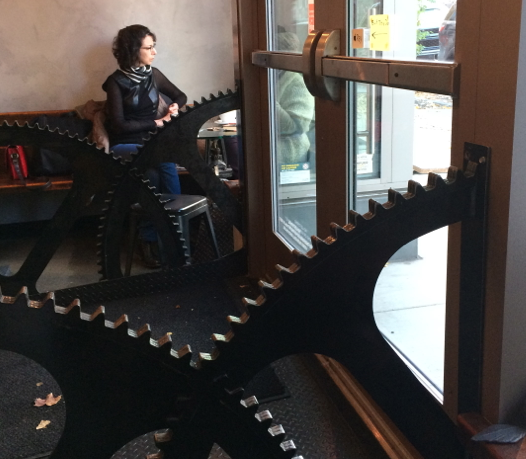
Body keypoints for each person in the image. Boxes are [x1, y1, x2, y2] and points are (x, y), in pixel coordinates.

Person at [102, 24, 187, 268]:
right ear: (132, 50)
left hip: (151, 143)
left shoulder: (154, 74)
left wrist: (173, 107)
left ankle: (160, 235)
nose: (154, 52)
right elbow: (118, 126)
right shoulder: (115, 83)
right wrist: (156, 121)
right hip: (124, 145)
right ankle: (163, 236)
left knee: (156, 168)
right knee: (161, 162)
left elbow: (181, 96)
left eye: (154, 46)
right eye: (149, 47)